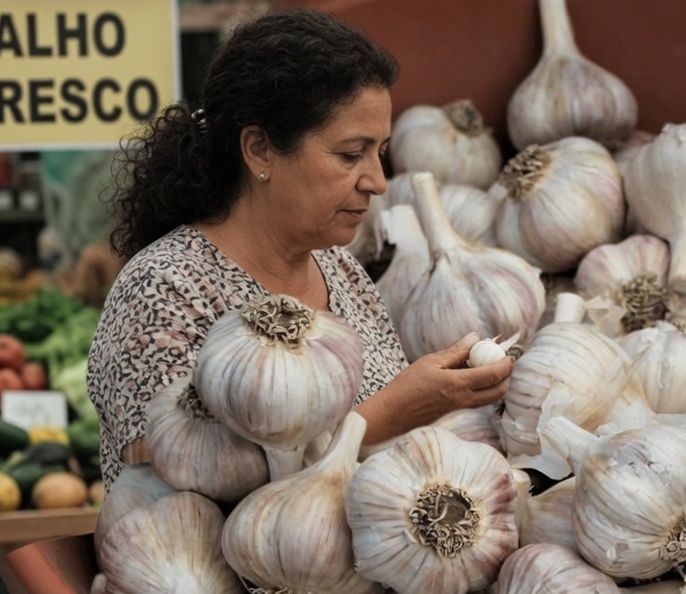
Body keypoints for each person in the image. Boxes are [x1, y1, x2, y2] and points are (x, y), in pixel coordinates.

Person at [87, 9, 513, 487]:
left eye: (381, 152)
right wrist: (395, 412)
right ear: (260, 150)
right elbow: (174, 488)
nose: (376, 181)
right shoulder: (165, 289)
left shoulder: (341, 271)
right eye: (351, 155)